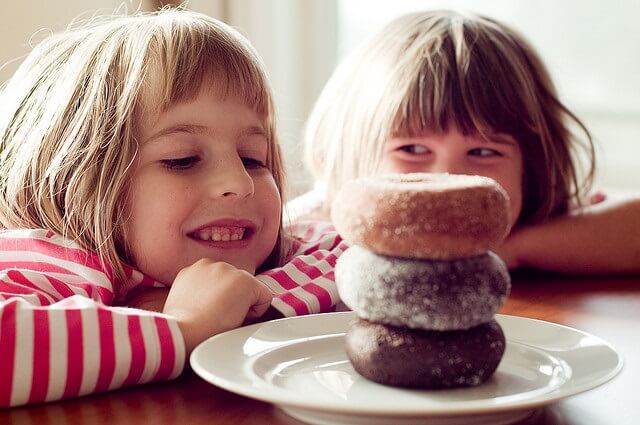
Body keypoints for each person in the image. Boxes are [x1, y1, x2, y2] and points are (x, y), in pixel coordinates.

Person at [0, 8, 346, 408]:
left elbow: (365, 264)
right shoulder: (49, 261)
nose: (240, 182)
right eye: (182, 160)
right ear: (71, 183)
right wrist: (184, 327)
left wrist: (243, 301)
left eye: (253, 157)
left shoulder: (295, 248)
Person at [293, 10, 640, 274]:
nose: (448, 179)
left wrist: (515, 247)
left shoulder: (538, 222)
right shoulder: (307, 236)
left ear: (533, 166)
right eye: (412, 149)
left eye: (484, 151)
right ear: (350, 154)